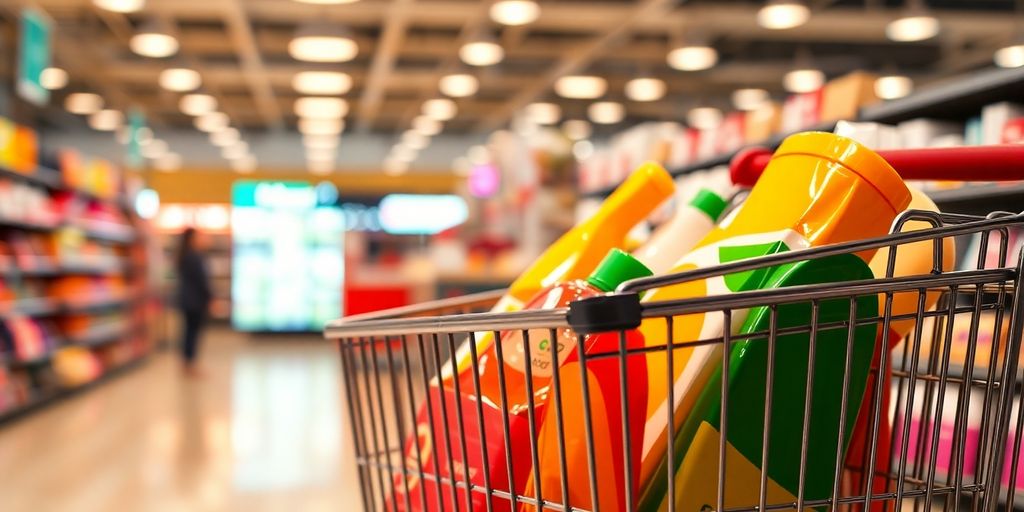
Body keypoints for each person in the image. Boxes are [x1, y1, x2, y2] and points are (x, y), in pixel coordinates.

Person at [176, 227, 212, 376]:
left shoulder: (184, 255)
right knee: (193, 333)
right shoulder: (195, 257)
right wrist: (210, 297)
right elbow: (202, 281)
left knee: (188, 332)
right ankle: (191, 365)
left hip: (186, 300)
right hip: (195, 301)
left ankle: (187, 363)